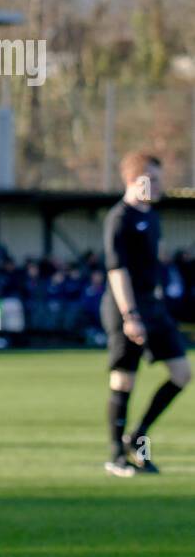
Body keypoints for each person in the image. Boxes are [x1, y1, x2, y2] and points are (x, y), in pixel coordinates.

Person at [102, 152, 188, 476]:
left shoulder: (152, 216)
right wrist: (130, 315)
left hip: (154, 308)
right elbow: (116, 270)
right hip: (127, 309)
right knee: (124, 380)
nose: (156, 185)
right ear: (131, 180)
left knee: (181, 374)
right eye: (149, 178)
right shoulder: (119, 218)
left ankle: (137, 436)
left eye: (157, 178)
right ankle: (116, 456)